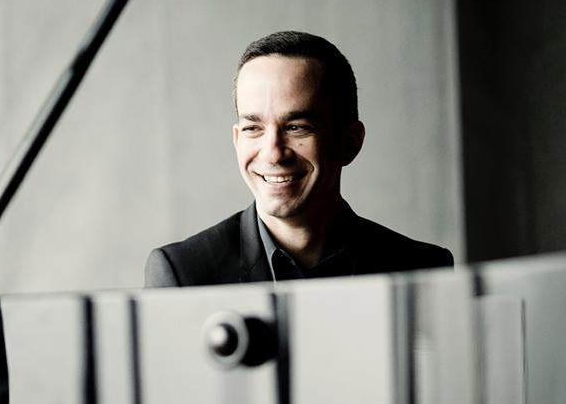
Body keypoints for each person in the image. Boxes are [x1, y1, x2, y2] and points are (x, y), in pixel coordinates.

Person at [145, 31, 453, 287]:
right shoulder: (183, 274)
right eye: (254, 128)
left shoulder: (423, 270)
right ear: (237, 140)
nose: (273, 153)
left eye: (296, 127)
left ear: (350, 143)